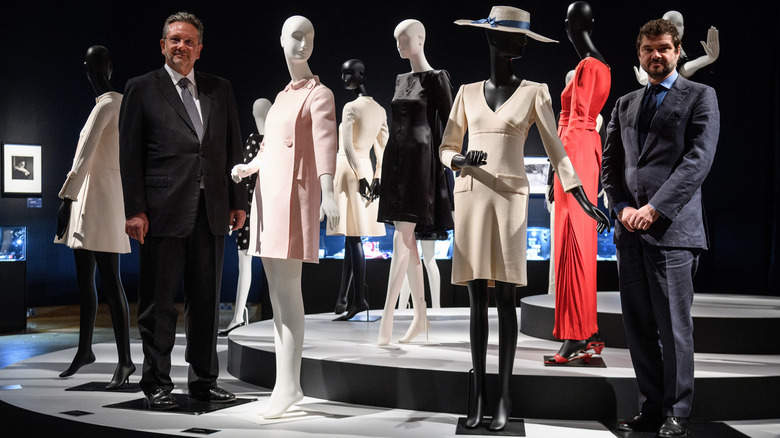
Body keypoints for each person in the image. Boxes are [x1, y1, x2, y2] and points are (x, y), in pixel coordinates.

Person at [444, 6, 608, 431]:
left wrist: (581, 195)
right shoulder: (464, 92)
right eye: (517, 36)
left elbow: (556, 149)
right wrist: (459, 159)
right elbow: (445, 148)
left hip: (511, 200)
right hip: (472, 196)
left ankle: (504, 396)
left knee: (506, 300)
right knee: (476, 299)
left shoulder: (536, 91)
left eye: (525, 38)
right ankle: (478, 394)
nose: (522, 43)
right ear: (495, 39)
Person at [119, 11, 246, 410]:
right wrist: (136, 210)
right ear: (163, 45)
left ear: (200, 49)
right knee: (158, 305)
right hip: (161, 212)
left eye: (189, 41)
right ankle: (156, 381)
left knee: (207, 304)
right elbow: (130, 156)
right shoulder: (141, 88)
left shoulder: (219, 89)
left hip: (211, 213)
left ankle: (204, 381)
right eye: (175, 40)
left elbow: (231, 148)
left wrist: (237, 201)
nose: (181, 47)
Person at [602, 18, 719, 438]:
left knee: (673, 327)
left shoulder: (700, 96)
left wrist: (653, 209)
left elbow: (696, 163)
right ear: (639, 53)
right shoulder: (625, 103)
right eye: (649, 49)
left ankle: (678, 411)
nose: (657, 55)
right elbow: (610, 166)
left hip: (673, 231)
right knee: (637, 328)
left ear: (677, 50)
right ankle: (651, 407)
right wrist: (619, 208)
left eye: (664, 48)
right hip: (629, 232)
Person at [232, 15, 339, 419]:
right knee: (276, 294)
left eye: (309, 37)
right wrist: (247, 168)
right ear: (281, 40)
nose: (303, 44)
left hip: (295, 197)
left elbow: (326, 144)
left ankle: (289, 385)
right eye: (295, 36)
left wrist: (328, 191)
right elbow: (270, 147)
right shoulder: (279, 98)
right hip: (268, 195)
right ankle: (285, 383)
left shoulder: (320, 95)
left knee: (289, 292)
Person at [54, 45, 134, 389]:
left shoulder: (111, 105)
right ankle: (85, 349)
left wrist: (65, 198)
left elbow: (84, 158)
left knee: (109, 280)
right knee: (86, 280)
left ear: (108, 69)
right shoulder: (105, 107)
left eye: (98, 65)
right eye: (90, 66)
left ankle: (127, 361)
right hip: (89, 201)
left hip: (99, 201)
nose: (94, 71)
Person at [376, 19, 453, 345]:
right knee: (406, 241)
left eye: (402, 38)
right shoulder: (400, 79)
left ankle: (387, 318)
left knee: (403, 237)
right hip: (396, 160)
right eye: (395, 39)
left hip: (421, 164)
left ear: (419, 38)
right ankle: (420, 316)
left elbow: (450, 125)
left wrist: (447, 166)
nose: (398, 44)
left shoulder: (437, 78)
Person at [548, 1, 610, 364]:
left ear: (575, 23)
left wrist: (565, 173)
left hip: (576, 153)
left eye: (568, 19)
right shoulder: (597, 64)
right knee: (576, 243)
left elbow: (578, 120)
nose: (567, 24)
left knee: (574, 243)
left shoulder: (589, 65)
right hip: (578, 152)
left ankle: (575, 334)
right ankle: (588, 331)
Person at [328, 59, 388, 321]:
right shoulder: (379, 109)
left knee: (354, 239)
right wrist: (377, 176)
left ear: (362, 75)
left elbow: (349, 147)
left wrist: (365, 177)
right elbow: (383, 149)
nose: (343, 79)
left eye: (348, 74)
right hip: (364, 172)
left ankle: (358, 299)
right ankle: (344, 298)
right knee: (352, 237)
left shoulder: (351, 107)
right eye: (342, 74)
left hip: (350, 171)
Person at [219, 98, 272, 337]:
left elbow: (247, 174)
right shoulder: (267, 141)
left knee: (250, 262)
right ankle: (241, 316)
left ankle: (240, 316)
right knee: (254, 262)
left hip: (257, 206)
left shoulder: (261, 141)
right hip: (262, 206)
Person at [634, 10, 719, 86]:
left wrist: (708, 59)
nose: (674, 28)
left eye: (678, 25)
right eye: (669, 24)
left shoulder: (687, 54)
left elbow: (684, 69)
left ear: (683, 29)